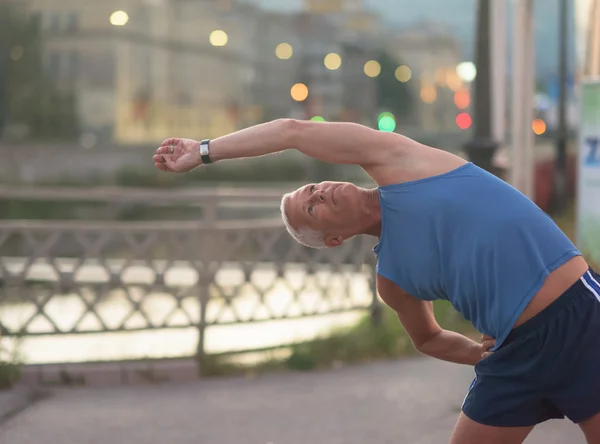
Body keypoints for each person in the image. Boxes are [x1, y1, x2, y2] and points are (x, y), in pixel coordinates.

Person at [153, 119, 600, 444]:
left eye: (311, 190)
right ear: (333, 239)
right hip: (513, 359)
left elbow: (294, 132)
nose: (318, 193)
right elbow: (427, 338)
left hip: (581, 321)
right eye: (311, 208)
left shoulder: (401, 161)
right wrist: (475, 352)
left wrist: (205, 150)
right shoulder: (393, 280)